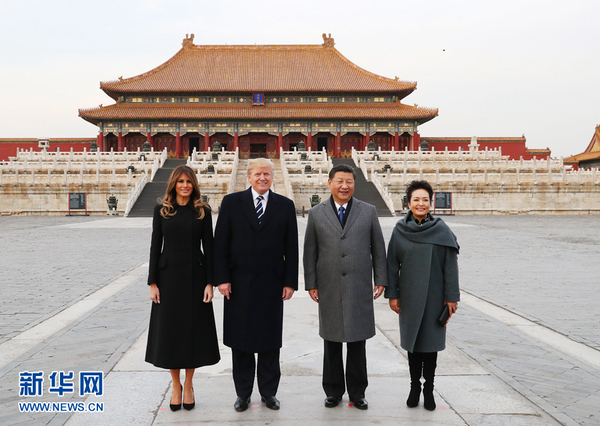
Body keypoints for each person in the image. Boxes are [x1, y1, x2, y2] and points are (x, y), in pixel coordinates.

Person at [214, 158, 298, 412]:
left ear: (272, 177)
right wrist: (222, 278)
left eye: (267, 174)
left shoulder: (284, 205)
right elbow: (221, 244)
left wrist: (290, 282)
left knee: (270, 341)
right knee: (241, 341)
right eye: (258, 174)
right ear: (248, 177)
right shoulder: (232, 203)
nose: (263, 178)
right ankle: (242, 394)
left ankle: (269, 392)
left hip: (272, 283)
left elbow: (291, 248)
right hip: (238, 284)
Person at [303, 164, 387, 410]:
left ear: (354, 183)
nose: (344, 186)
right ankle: (333, 390)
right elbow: (310, 251)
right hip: (328, 284)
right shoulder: (317, 213)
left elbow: (378, 249)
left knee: (357, 340)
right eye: (339, 181)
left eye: (349, 181)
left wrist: (380, 278)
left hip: (359, 284)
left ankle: (358, 392)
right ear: (329, 183)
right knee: (331, 340)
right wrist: (311, 283)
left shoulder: (368, 211)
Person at [146, 165, 220, 411]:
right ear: (173, 184)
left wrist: (210, 282)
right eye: (180, 181)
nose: (185, 185)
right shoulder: (162, 211)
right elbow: (155, 247)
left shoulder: (202, 211)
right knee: (170, 334)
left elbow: (209, 248)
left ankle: (188, 384)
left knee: (193, 334)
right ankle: (175, 385)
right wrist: (153, 283)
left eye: (189, 181)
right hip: (167, 280)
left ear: (194, 184)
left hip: (196, 279)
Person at [385, 180, 460, 411]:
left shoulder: (441, 229)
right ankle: (414, 387)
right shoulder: (400, 230)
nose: (420, 204)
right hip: (409, 296)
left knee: (431, 345)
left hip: (436, 295)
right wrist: (393, 295)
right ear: (409, 203)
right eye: (416, 199)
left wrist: (451, 297)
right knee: (413, 345)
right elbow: (391, 265)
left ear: (430, 202)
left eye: (425, 200)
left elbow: (450, 265)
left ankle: (429, 389)